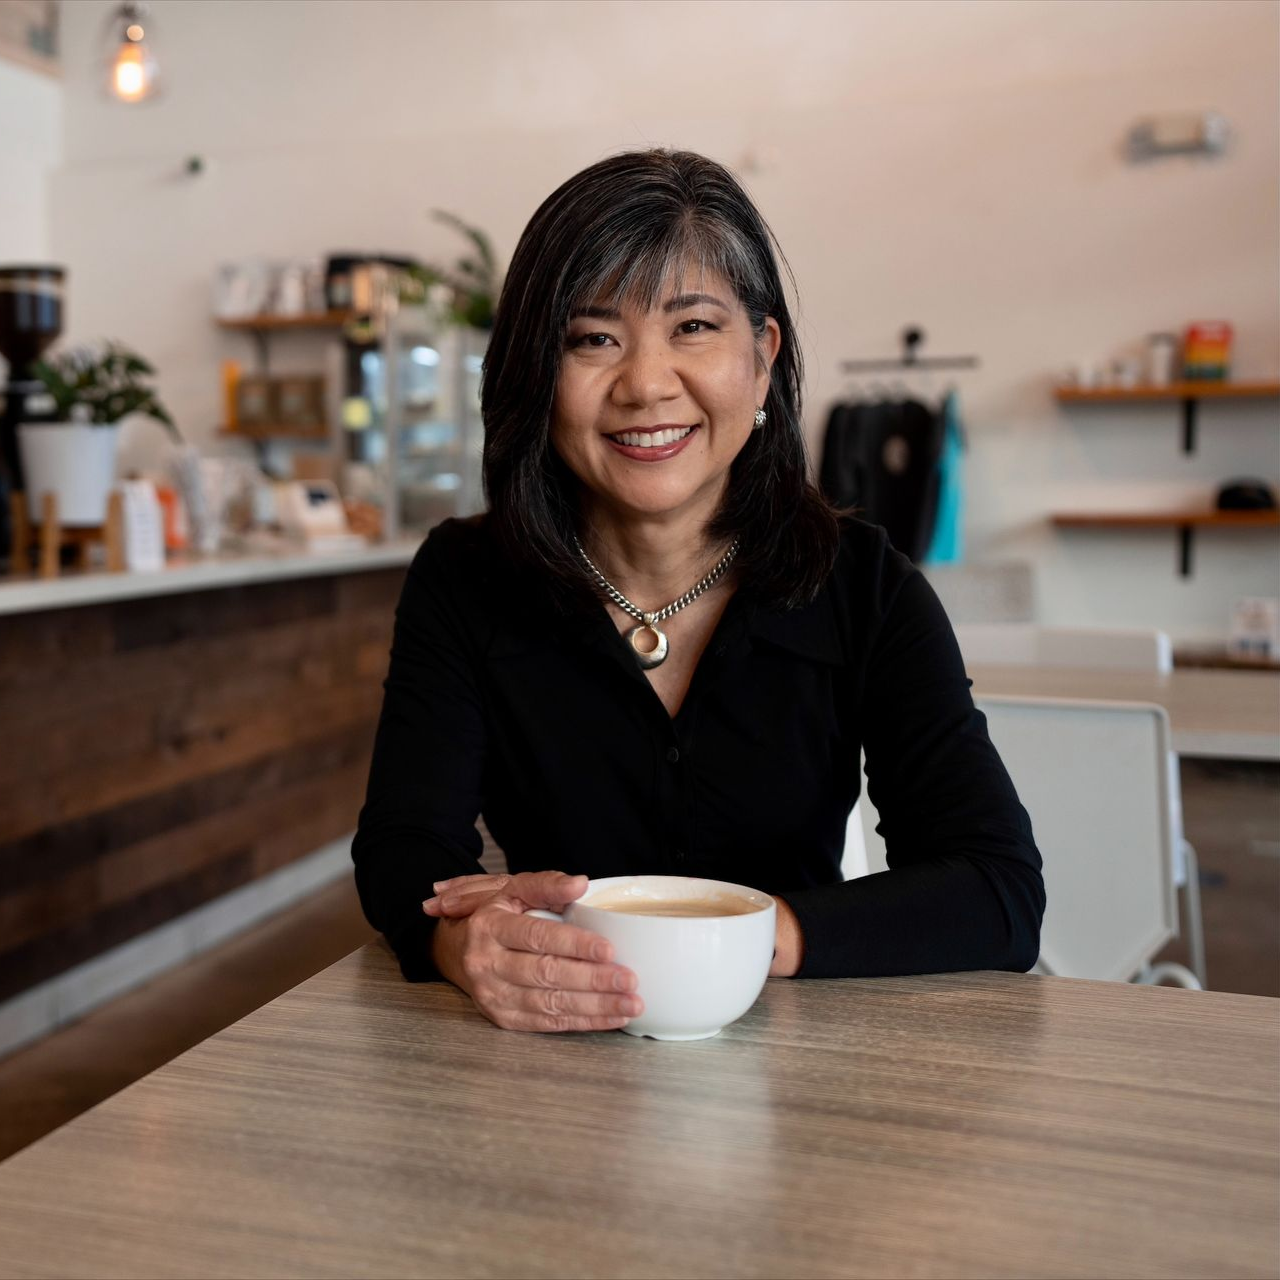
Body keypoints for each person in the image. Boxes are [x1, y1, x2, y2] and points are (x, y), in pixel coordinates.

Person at [351, 149, 1044, 1034]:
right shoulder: (466, 577)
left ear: (762, 359)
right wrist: (466, 947)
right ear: (537, 374)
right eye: (592, 338)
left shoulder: (864, 584)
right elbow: (403, 850)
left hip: (802, 1072)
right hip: (539, 1064)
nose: (644, 384)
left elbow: (996, 891)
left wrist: (737, 942)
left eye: (693, 328)